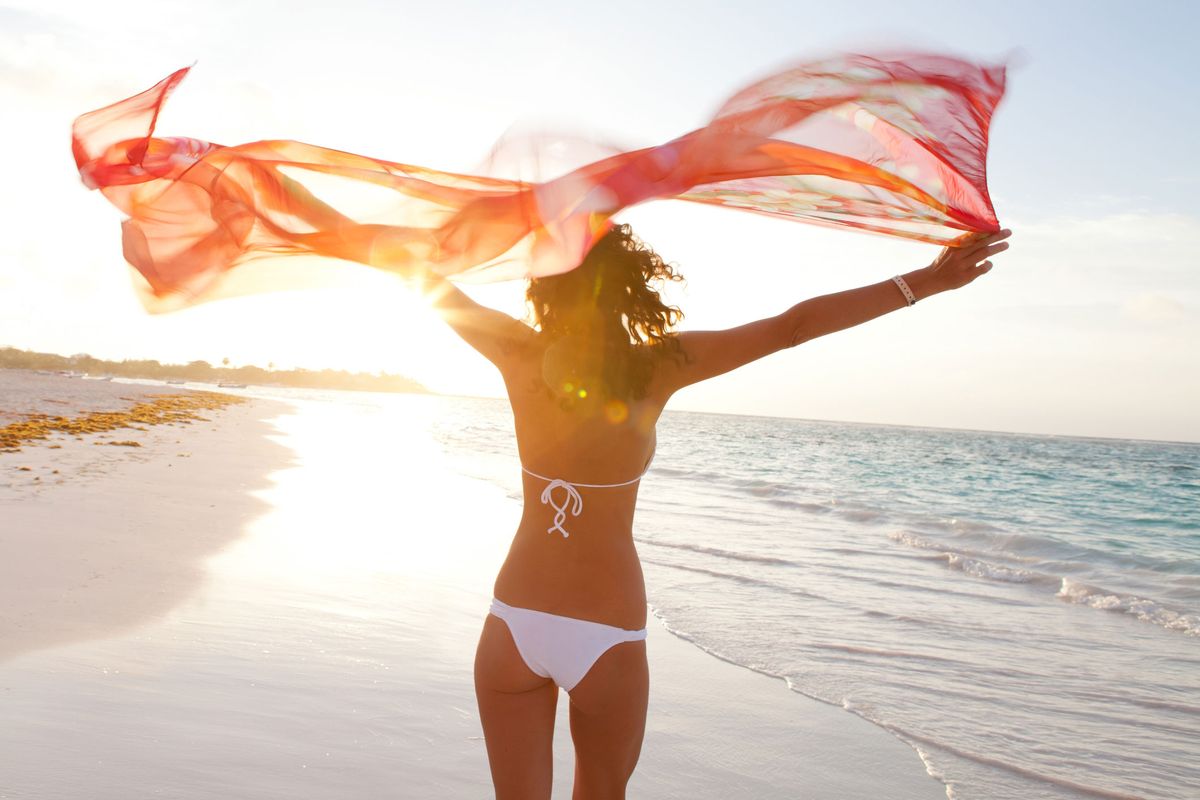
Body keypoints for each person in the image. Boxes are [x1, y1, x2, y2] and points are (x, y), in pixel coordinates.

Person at [416, 222, 1011, 799]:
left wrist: (326, 213)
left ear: (542, 286)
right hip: (605, 632)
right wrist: (925, 282)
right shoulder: (660, 365)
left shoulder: (516, 351)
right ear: (630, 287)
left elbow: (418, 276)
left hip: (513, 620)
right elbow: (791, 327)